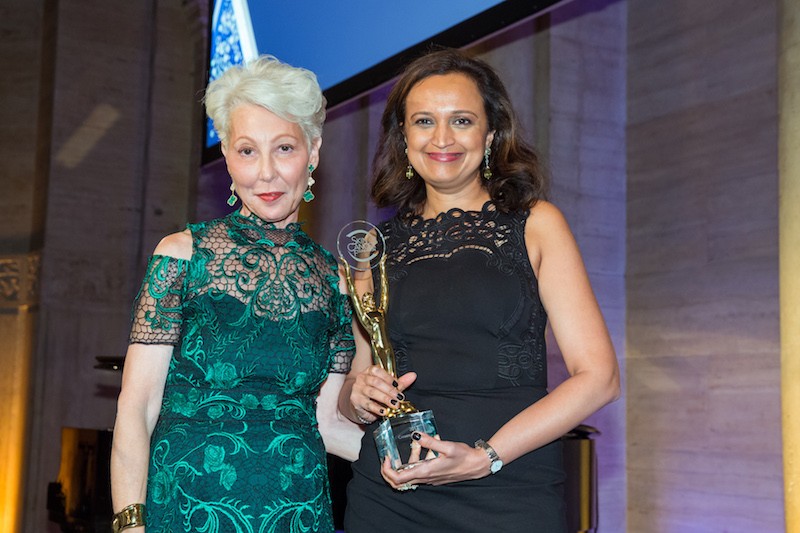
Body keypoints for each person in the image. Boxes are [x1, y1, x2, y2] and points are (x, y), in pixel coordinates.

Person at [339, 48, 620, 532]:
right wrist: (357, 395)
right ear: (403, 138)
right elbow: (356, 385)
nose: (442, 138)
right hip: (391, 496)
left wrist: (485, 456)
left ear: (491, 135)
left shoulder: (537, 224)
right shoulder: (372, 247)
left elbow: (599, 377)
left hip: (509, 490)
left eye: (462, 120)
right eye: (424, 121)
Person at [110, 55, 362, 533]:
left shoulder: (335, 279)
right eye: (247, 151)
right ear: (226, 154)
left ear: (314, 151)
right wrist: (130, 523)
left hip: (298, 512)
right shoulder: (183, 255)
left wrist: (414, 464)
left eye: (284, 148)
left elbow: (326, 424)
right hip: (186, 509)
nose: (265, 173)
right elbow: (137, 405)